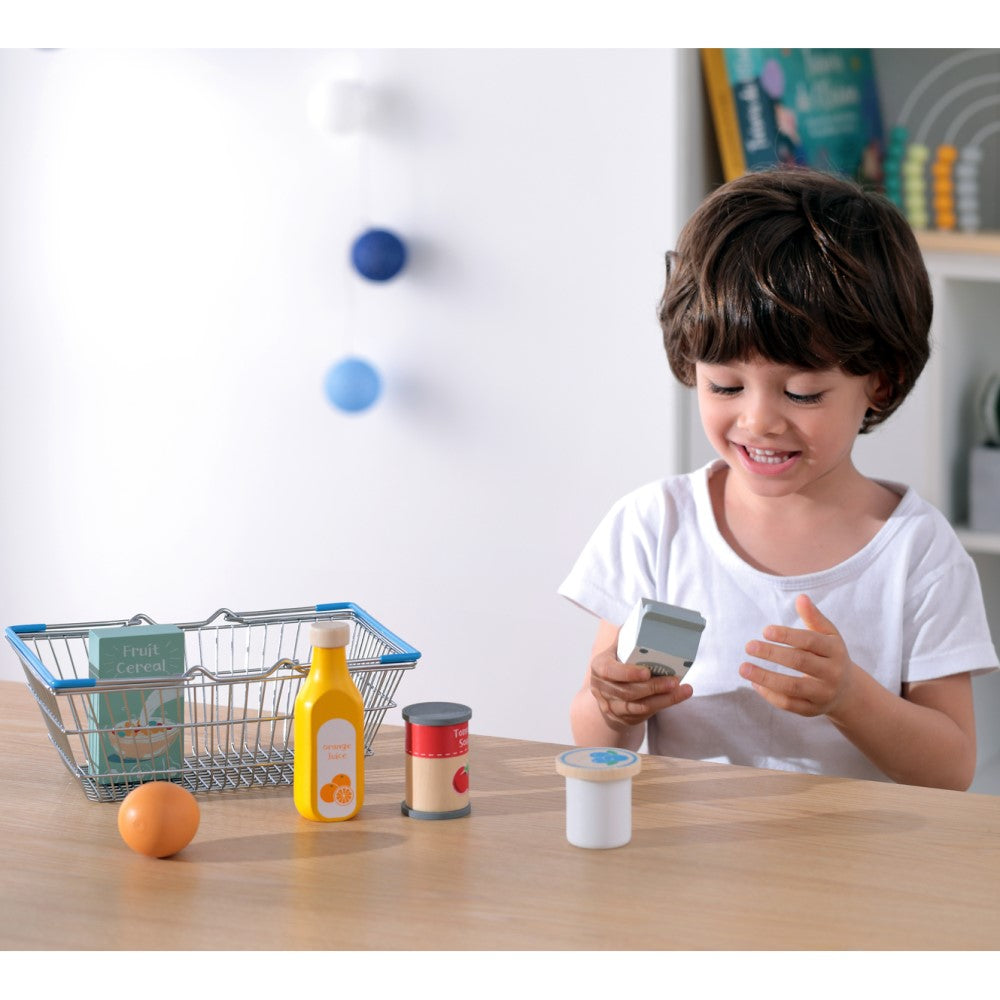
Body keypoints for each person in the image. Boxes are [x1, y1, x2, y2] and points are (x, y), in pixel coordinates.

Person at [559, 167, 998, 790]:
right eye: (725, 386)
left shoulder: (918, 554)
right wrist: (611, 703)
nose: (759, 420)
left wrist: (849, 697)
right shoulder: (654, 526)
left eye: (802, 392)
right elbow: (598, 740)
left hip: (852, 876)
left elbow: (950, 770)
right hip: (688, 870)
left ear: (881, 381)